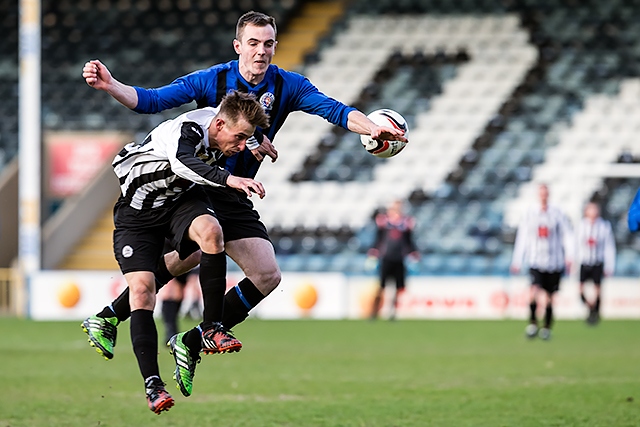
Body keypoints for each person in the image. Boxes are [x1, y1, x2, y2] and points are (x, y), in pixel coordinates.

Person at [80, 10, 407, 398]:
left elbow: (333, 110)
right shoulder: (212, 80)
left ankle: (179, 336)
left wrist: (373, 127)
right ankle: (200, 327)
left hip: (238, 190)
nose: (260, 51)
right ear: (238, 46)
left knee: (266, 275)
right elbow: (151, 101)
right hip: (200, 185)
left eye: (268, 43)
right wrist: (112, 84)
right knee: (203, 243)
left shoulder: (288, 85)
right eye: (252, 43)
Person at [91, 90, 269, 414]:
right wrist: (231, 179)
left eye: (247, 139)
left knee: (211, 236)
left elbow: (234, 127)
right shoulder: (186, 131)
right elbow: (185, 163)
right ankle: (153, 385)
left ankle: (212, 327)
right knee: (142, 291)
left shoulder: (222, 128)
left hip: (177, 204)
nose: (241, 146)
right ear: (218, 124)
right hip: (137, 215)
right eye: (240, 138)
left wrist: (257, 143)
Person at [510, 184, 573, 340]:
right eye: (541, 193)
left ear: (548, 194)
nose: (543, 195)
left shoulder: (557, 213)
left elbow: (567, 234)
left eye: (545, 192)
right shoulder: (530, 213)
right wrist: (517, 259)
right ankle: (532, 323)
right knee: (533, 291)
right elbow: (522, 237)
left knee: (550, 297)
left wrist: (570, 255)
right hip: (535, 260)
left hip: (554, 261)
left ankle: (546, 327)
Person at [368, 200, 419, 320]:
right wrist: (373, 253)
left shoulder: (406, 223)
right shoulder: (384, 222)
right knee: (381, 287)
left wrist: (414, 254)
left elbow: (409, 241)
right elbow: (378, 239)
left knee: (397, 288)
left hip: (399, 259)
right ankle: (374, 312)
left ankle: (392, 313)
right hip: (386, 258)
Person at [576, 202, 616, 325]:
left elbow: (609, 247)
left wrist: (610, 265)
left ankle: (595, 313)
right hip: (584, 262)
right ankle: (590, 307)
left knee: (597, 289)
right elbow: (575, 244)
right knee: (581, 289)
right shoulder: (581, 226)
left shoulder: (604, 226)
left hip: (597, 262)